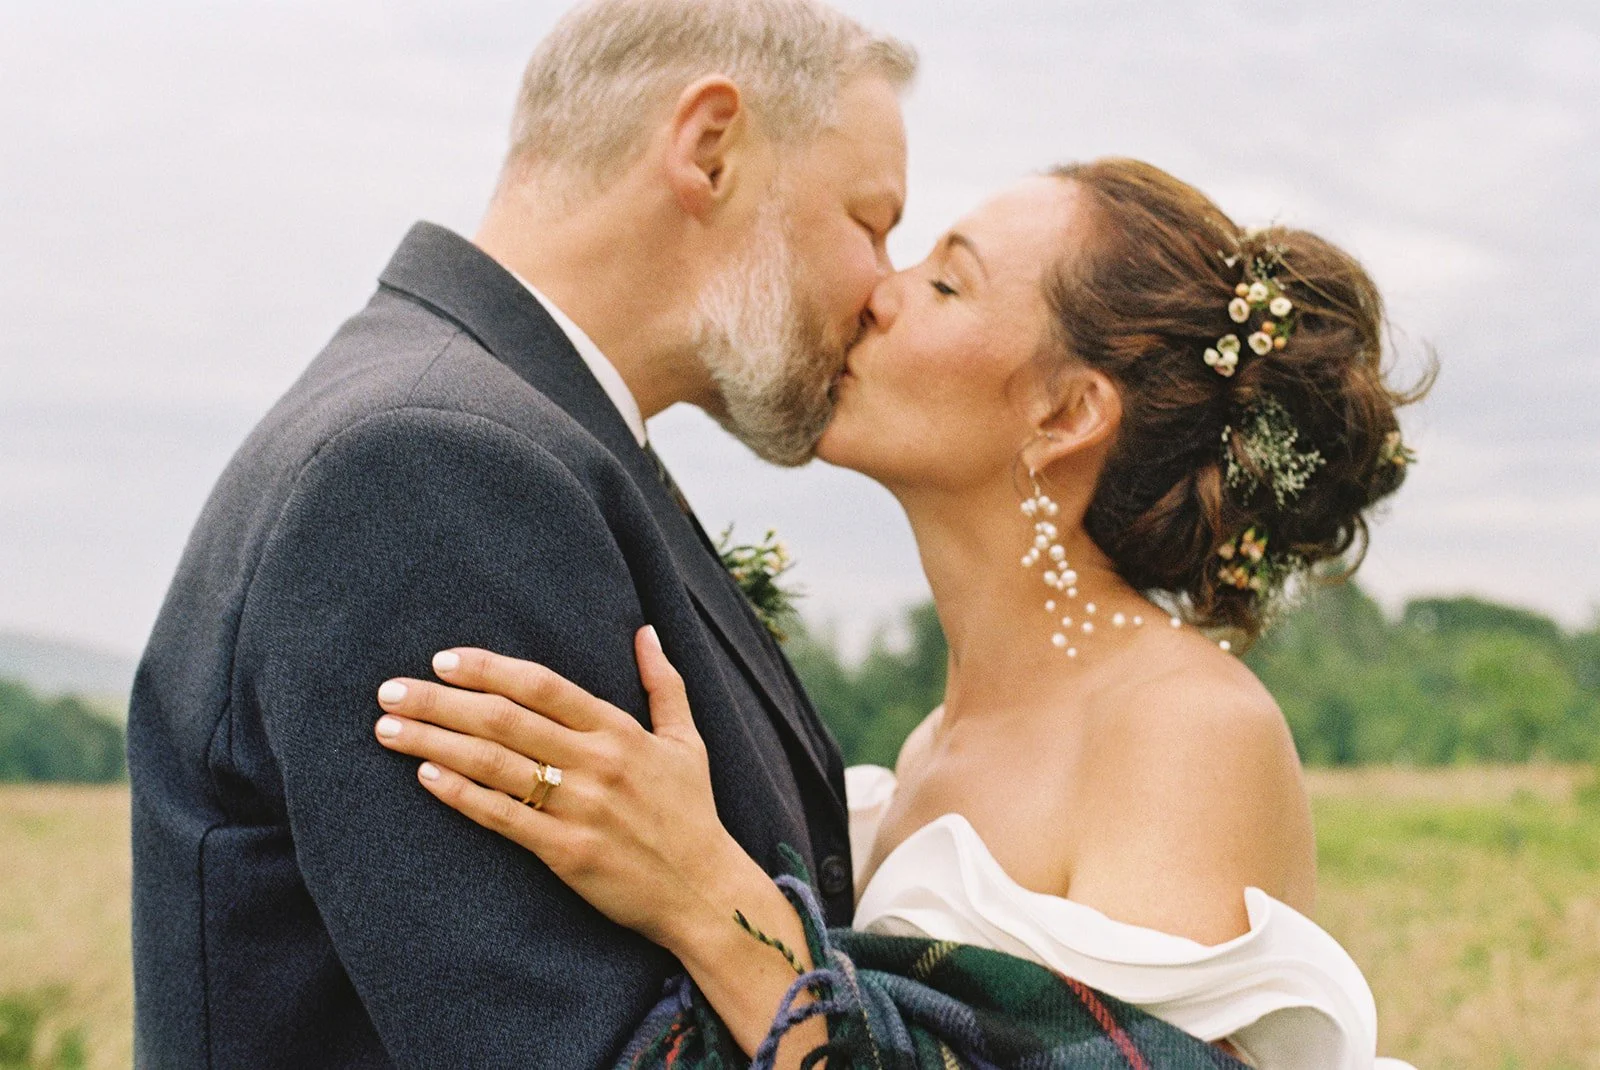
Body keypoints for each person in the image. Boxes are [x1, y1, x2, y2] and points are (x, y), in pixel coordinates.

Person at [370, 160, 1431, 1068]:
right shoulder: (929, 743)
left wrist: (706, 898)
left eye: (946, 282)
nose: (880, 293)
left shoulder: (1184, 728)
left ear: (1064, 413)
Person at [125, 1, 917, 1065]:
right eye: (871, 223)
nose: (882, 290)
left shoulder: (515, 435)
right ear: (709, 148)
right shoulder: (428, 469)